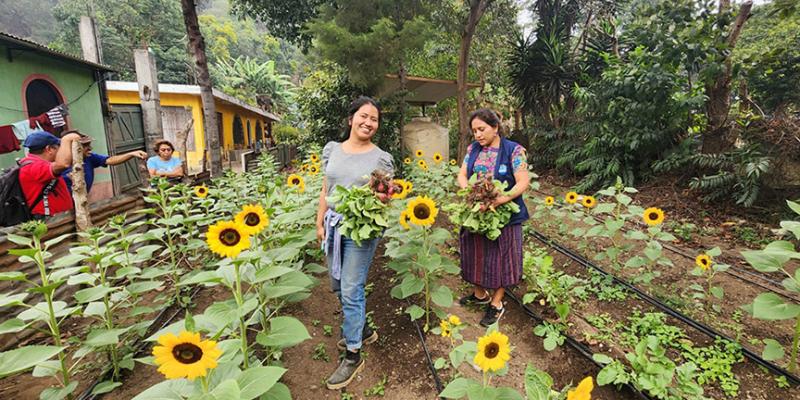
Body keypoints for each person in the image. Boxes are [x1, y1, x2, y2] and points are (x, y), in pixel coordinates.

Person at [316, 96, 394, 390]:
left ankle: (353, 354)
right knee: (337, 284)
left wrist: (383, 195)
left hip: (362, 230)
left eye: (374, 119)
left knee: (351, 288)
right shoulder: (332, 150)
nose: (368, 122)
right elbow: (326, 188)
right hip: (333, 226)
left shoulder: (380, 158)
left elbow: (385, 195)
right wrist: (319, 222)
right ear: (351, 119)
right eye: (364, 116)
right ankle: (363, 329)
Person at [456, 108, 530, 327]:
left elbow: (523, 181)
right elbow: (462, 174)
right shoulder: (473, 149)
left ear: (495, 127)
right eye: (474, 131)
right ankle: (480, 294)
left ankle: (496, 303)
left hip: (504, 216)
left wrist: (500, 200)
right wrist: (469, 192)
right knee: (474, 254)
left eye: (482, 129)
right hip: (478, 212)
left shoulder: (514, 150)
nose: (478, 135)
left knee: (502, 259)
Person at [19, 131, 82, 219]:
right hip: (48, 220)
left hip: (58, 218)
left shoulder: (35, 164)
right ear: (49, 149)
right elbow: (63, 164)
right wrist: (66, 139)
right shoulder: (33, 166)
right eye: (58, 147)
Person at [62, 133, 148, 193]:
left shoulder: (90, 157)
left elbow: (110, 160)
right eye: (85, 146)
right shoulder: (61, 164)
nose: (90, 148)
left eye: (89, 145)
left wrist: (131, 154)